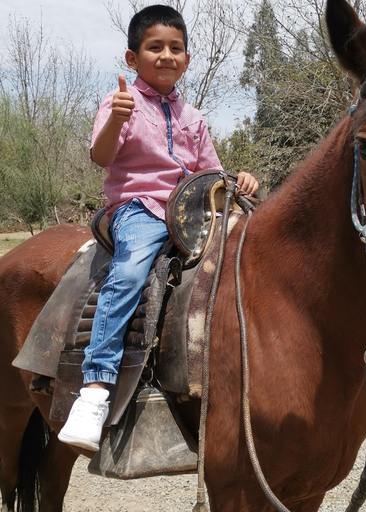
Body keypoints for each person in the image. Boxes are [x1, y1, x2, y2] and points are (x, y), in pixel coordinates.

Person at [58, 5, 259, 451]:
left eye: (176, 48)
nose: (166, 55)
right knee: (129, 273)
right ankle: (94, 388)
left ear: (187, 59)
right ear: (133, 58)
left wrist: (238, 182)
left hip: (192, 211)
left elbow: (212, 177)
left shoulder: (193, 117)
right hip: (140, 208)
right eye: (155, 47)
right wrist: (116, 119)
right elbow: (102, 157)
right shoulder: (120, 103)